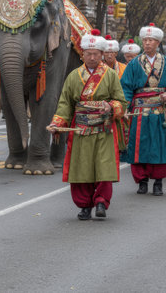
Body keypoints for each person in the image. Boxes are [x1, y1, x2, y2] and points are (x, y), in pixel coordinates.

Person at [48, 30, 127, 220]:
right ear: (82, 53)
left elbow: (121, 102)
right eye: (88, 53)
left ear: (101, 54)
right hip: (81, 129)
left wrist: (111, 106)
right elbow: (65, 103)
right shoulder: (74, 76)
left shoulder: (110, 75)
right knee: (81, 168)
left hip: (104, 129)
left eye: (96, 54)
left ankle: (101, 202)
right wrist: (58, 123)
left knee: (103, 167)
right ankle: (84, 205)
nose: (92, 57)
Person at [121, 23, 166, 196]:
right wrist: (125, 106)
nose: (148, 43)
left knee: (160, 146)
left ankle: (158, 181)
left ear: (158, 43)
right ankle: (142, 181)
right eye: (145, 40)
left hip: (160, 112)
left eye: (151, 40)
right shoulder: (134, 64)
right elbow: (125, 88)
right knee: (138, 146)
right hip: (139, 112)